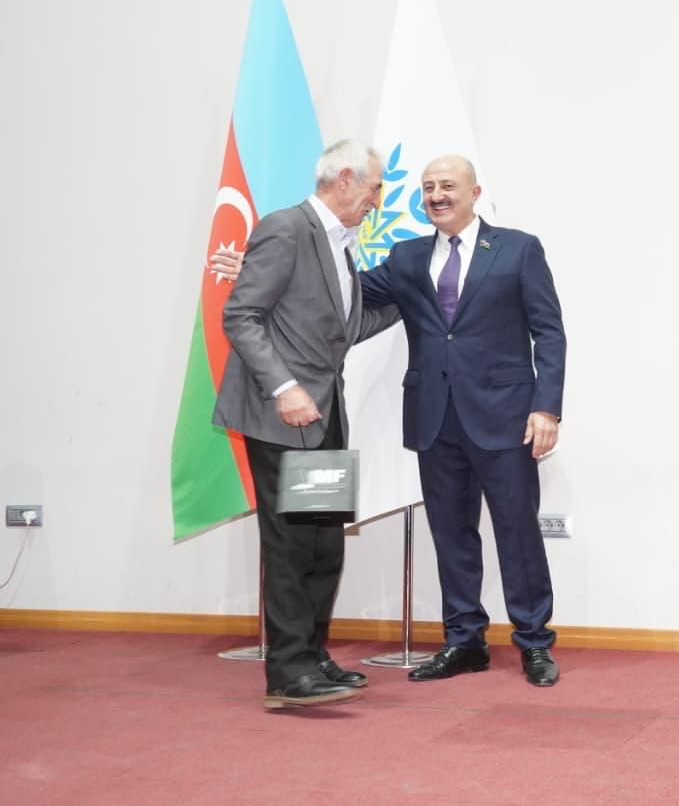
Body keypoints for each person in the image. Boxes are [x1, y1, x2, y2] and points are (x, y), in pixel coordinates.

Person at [359, 155, 567, 687]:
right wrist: (271, 266)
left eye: (447, 185)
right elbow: (348, 290)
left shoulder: (518, 249)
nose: (436, 195)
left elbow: (549, 332)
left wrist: (546, 408)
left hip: (506, 418)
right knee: (451, 535)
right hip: (435, 418)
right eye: (428, 187)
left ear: (475, 192)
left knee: (517, 532)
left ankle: (534, 642)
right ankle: (464, 640)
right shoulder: (406, 257)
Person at [213, 140, 399, 709]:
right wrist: (284, 387)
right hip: (283, 417)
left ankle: (312, 655)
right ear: (345, 179)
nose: (376, 200)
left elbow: (343, 329)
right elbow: (241, 315)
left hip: (324, 415)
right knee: (291, 545)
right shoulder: (287, 229)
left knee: (323, 543)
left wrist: (411, 302)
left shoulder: (340, 245)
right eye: (374, 187)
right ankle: (287, 672)